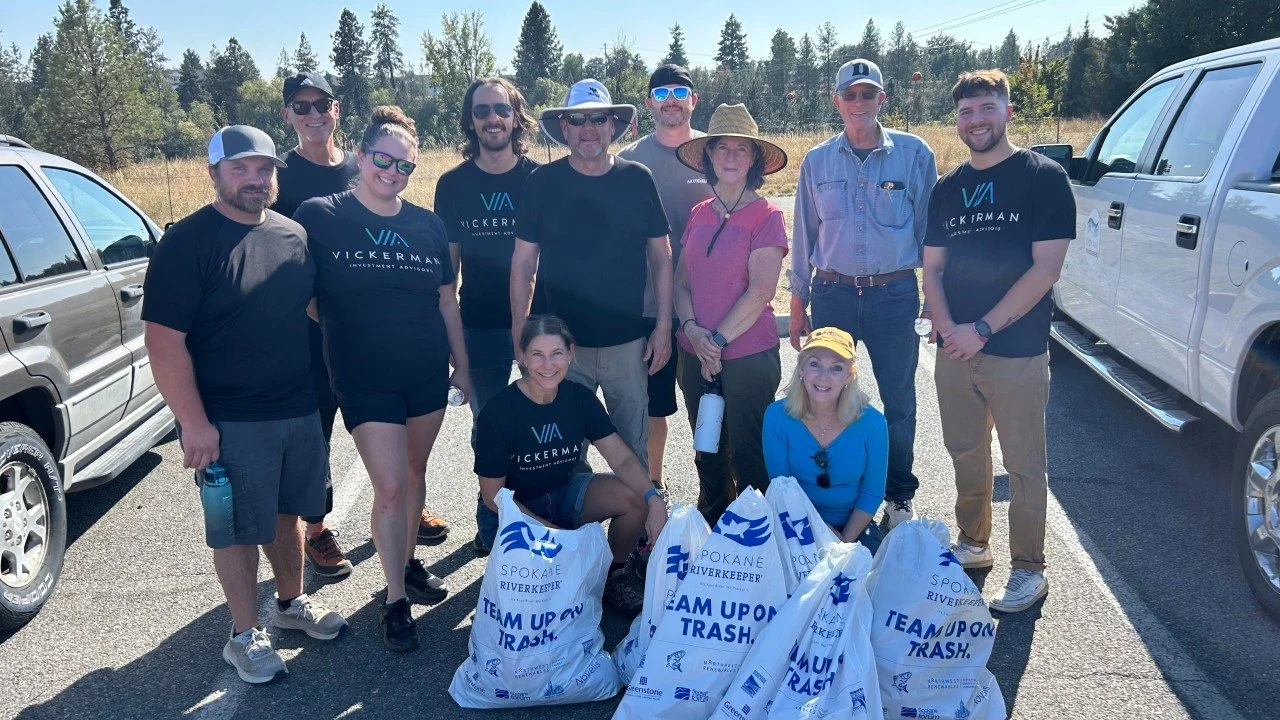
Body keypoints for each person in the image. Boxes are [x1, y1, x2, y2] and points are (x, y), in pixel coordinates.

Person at [144, 125, 346, 684]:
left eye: (264, 169)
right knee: (236, 529)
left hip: (297, 406)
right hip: (230, 418)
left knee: (288, 514)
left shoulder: (292, 234)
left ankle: (289, 604)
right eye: (240, 169)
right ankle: (243, 636)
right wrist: (193, 423)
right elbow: (163, 342)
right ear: (214, 173)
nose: (255, 180)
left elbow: (311, 308)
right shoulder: (187, 242)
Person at [293, 107, 470, 651]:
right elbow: (308, 299)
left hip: (424, 370)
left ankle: (407, 561)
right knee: (390, 486)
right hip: (363, 376)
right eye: (383, 160)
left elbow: (446, 300)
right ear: (361, 155)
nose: (392, 172)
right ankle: (395, 599)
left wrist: (462, 364)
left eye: (404, 166)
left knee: (414, 475)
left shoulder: (428, 225)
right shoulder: (320, 215)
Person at [922, 70, 1074, 613]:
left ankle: (1029, 569)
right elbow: (932, 268)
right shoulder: (947, 187)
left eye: (987, 107)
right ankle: (974, 542)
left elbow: (1046, 269)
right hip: (955, 352)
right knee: (966, 451)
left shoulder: (1043, 177)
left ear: (1008, 111)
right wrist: (948, 331)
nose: (976, 120)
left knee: (1024, 463)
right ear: (957, 121)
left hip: (1016, 351)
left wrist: (981, 329)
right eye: (966, 112)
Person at [789, 58, 937, 530]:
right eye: (850, 95)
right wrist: (797, 300)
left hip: (893, 294)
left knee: (899, 400)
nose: (859, 103)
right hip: (832, 293)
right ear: (837, 101)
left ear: (881, 99)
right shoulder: (817, 161)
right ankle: (837, 488)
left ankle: (898, 494)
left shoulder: (914, 154)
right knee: (825, 395)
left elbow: (931, 234)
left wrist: (934, 299)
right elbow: (804, 235)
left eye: (867, 94)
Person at [512, 79, 672, 472]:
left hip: (627, 344)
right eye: (578, 119)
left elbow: (661, 256)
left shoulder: (638, 178)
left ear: (612, 125)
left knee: (632, 449)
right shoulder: (542, 183)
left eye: (598, 118)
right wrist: (520, 333)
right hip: (562, 346)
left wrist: (664, 326)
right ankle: (574, 513)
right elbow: (523, 263)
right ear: (564, 127)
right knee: (563, 452)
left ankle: (636, 513)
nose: (589, 128)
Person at [475, 315, 668, 618]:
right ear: (521, 356)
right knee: (539, 604)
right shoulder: (499, 411)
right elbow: (493, 497)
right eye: (537, 354)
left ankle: (612, 578)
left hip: (562, 494)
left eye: (556, 353)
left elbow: (622, 458)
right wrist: (555, 537)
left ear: (570, 353)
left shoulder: (579, 398)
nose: (547, 365)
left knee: (635, 496)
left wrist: (654, 499)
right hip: (512, 514)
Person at [435, 77, 539, 557]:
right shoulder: (453, 185)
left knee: (542, 424)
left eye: (501, 109)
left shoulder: (540, 179)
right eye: (481, 111)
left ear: (516, 117)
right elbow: (448, 271)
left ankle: (540, 515)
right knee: (490, 429)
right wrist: (450, 340)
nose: (492, 118)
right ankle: (492, 524)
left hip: (538, 326)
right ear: (470, 120)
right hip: (479, 325)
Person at [671, 103, 788, 524]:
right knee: (706, 447)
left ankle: (757, 533)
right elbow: (681, 284)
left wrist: (716, 342)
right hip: (694, 352)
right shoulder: (698, 213)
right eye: (722, 147)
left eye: (742, 148)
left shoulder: (767, 215)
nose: (732, 156)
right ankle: (713, 523)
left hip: (747, 355)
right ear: (709, 154)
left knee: (748, 452)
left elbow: (761, 290)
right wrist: (692, 332)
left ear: (754, 158)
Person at [271, 72, 358, 578]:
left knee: (382, 420)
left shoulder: (358, 167)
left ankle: (402, 506)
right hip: (308, 327)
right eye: (300, 106)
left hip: (365, 323)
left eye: (321, 104)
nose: (312, 115)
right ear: (287, 115)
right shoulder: (280, 176)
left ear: (336, 109)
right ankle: (317, 529)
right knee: (315, 431)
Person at [618, 64, 714, 491]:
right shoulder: (630, 159)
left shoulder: (716, 152)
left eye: (679, 92)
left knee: (709, 403)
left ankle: (717, 490)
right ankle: (652, 485)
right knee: (652, 406)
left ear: (694, 100)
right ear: (648, 104)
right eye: (661, 93)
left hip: (707, 304)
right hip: (647, 304)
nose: (670, 100)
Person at [763, 328, 887, 553]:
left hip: (852, 526)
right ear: (801, 369)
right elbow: (782, 489)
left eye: (836, 368)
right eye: (814, 364)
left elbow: (872, 493)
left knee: (867, 569)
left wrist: (842, 545)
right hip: (793, 522)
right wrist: (823, 534)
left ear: (850, 375)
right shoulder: (777, 416)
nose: (823, 376)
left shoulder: (873, 423)